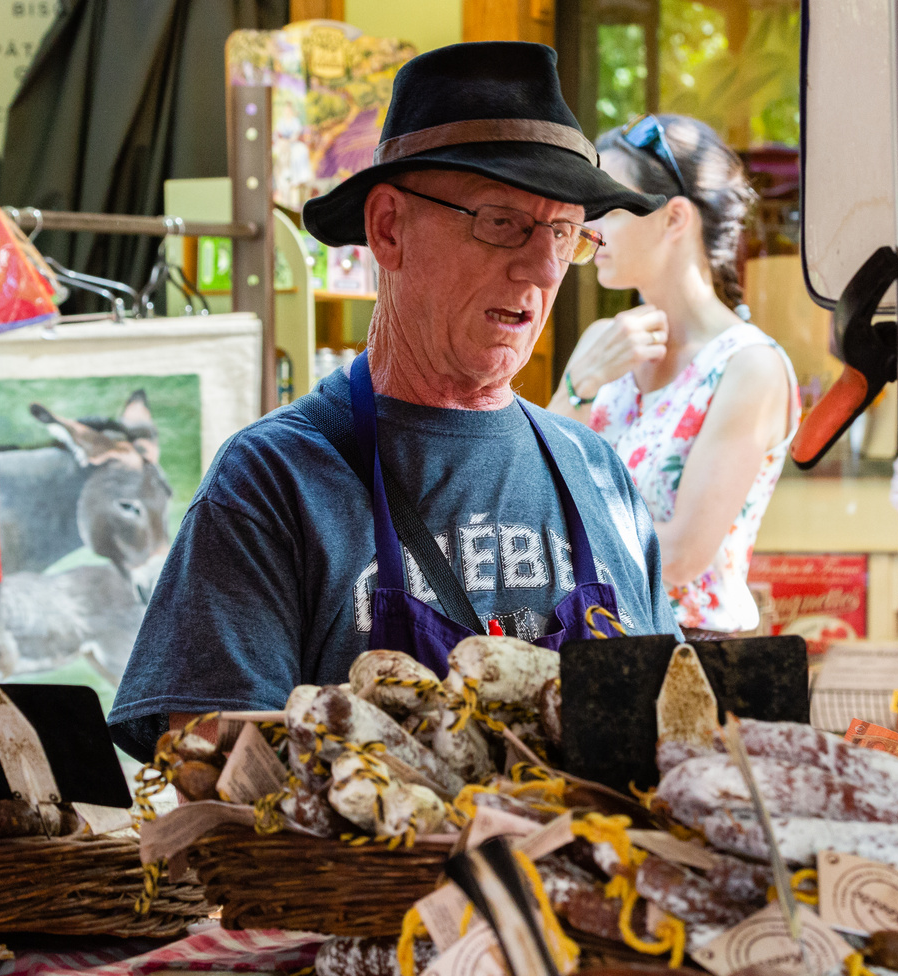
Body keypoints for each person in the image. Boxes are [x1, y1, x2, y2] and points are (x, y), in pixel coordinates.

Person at [107, 42, 682, 762]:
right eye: (502, 221)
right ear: (388, 229)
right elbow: (206, 772)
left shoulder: (601, 477)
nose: (540, 267)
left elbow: (672, 741)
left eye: (564, 233)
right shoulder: (272, 484)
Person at [548, 115, 797, 635]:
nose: (588, 229)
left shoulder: (749, 366)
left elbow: (682, 555)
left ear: (675, 218)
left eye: (608, 208)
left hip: (694, 660)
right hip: (584, 648)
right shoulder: (601, 344)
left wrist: (559, 549)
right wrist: (578, 386)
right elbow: (527, 498)